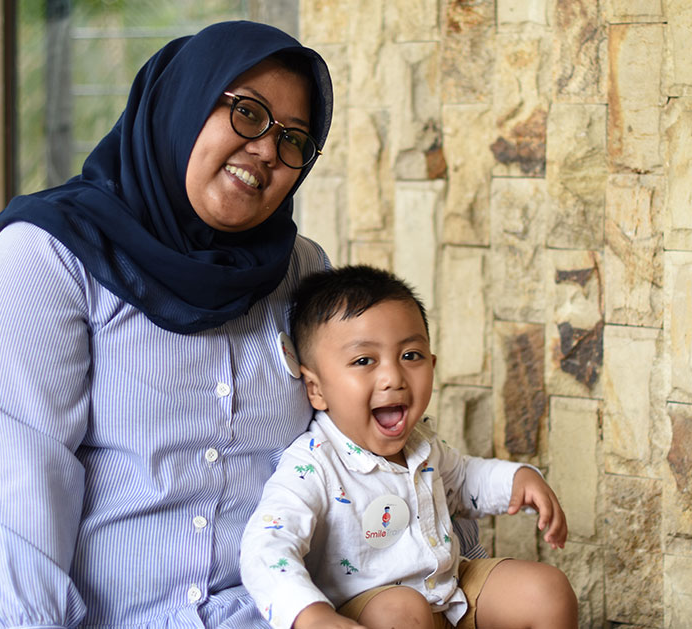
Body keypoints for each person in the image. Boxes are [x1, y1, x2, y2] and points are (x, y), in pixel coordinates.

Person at [0, 20, 345, 628]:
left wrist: (452, 573)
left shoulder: (303, 274)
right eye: (248, 113)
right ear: (183, 104)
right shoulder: (51, 260)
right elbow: (15, 515)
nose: (270, 149)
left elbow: (359, 451)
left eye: (295, 139)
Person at [239, 265, 579, 629]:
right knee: (403, 611)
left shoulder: (423, 444)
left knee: (547, 591)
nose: (393, 377)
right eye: (364, 360)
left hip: (452, 591)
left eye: (411, 356)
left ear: (432, 365)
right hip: (368, 609)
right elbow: (266, 546)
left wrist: (518, 480)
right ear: (316, 388)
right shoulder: (314, 465)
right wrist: (309, 615)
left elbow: (463, 480)